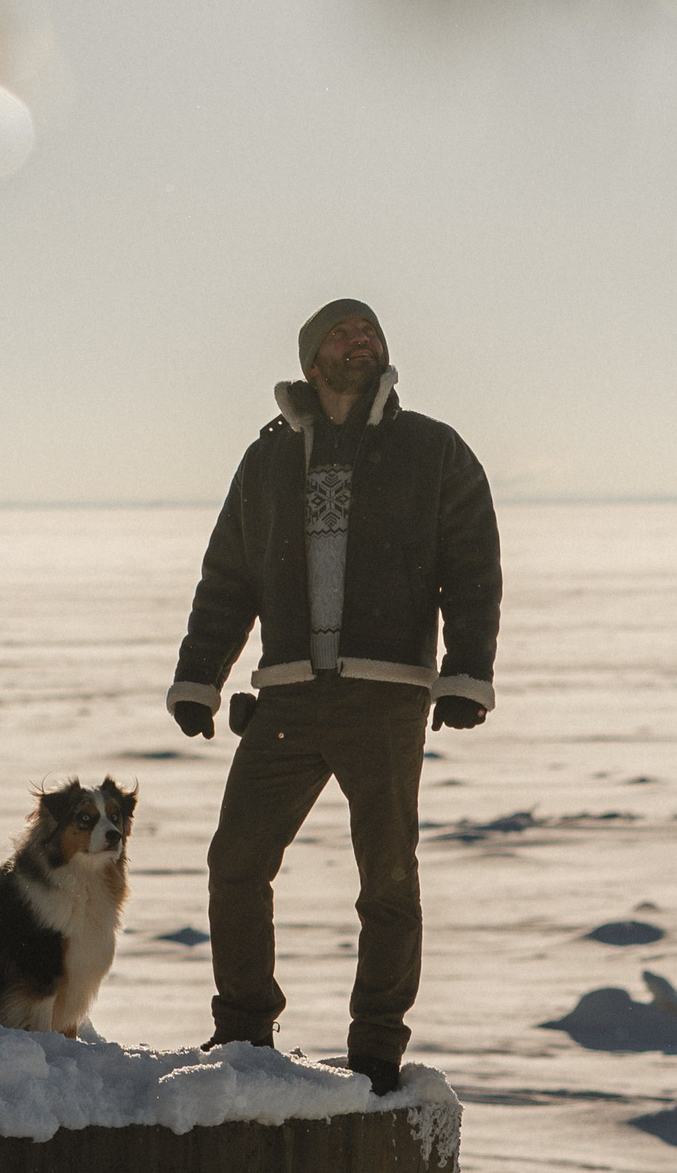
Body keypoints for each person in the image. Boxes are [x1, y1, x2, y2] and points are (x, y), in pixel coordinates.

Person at [166, 298, 501, 1094]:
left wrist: (466, 671)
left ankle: (377, 1048)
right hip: (284, 698)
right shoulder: (270, 458)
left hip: (385, 700)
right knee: (235, 865)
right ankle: (244, 1032)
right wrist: (199, 676)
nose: (364, 341)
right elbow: (228, 577)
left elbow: (473, 563)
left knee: (387, 879)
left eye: (372, 332)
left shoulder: (431, 449)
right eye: (344, 333)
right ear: (314, 359)